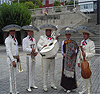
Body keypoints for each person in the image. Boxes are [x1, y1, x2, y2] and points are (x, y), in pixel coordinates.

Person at [37, 24, 59, 91]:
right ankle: (44, 85)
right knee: (45, 72)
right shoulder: (42, 37)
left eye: (50, 31)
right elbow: (38, 45)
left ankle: (52, 84)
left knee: (52, 72)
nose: (48, 32)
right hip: (45, 58)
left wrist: (56, 40)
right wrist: (42, 47)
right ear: (45, 31)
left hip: (52, 58)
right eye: (47, 31)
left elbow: (56, 46)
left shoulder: (53, 38)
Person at [3, 24, 22, 94]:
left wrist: (18, 56)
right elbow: (8, 51)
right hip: (11, 59)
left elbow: (16, 49)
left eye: (14, 31)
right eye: (11, 31)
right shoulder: (7, 39)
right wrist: (13, 60)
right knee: (12, 76)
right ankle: (12, 91)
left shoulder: (15, 39)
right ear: (9, 32)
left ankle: (14, 90)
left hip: (15, 58)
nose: (13, 32)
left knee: (14, 76)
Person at [77, 26, 95, 94]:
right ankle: (84, 90)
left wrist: (86, 54)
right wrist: (79, 61)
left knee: (88, 77)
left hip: (87, 62)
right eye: (83, 34)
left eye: (85, 34)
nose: (84, 35)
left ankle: (89, 91)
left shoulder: (91, 42)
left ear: (88, 35)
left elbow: (93, 53)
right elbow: (79, 52)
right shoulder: (82, 42)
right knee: (83, 76)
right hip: (82, 62)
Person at [59, 27, 79, 93]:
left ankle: (70, 87)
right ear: (65, 35)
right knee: (64, 73)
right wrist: (63, 54)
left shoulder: (73, 42)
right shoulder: (63, 42)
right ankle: (65, 86)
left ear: (70, 35)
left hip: (71, 61)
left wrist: (73, 54)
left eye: (69, 35)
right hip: (65, 60)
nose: (67, 36)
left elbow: (76, 49)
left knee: (70, 73)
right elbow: (62, 50)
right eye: (66, 35)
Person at [22, 25, 39, 92]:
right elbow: (24, 49)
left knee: (33, 71)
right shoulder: (25, 39)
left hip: (33, 56)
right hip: (29, 56)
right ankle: (28, 86)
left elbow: (36, 47)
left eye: (31, 32)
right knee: (29, 71)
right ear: (27, 32)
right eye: (29, 32)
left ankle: (32, 84)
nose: (30, 33)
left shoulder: (34, 39)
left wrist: (36, 52)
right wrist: (31, 50)